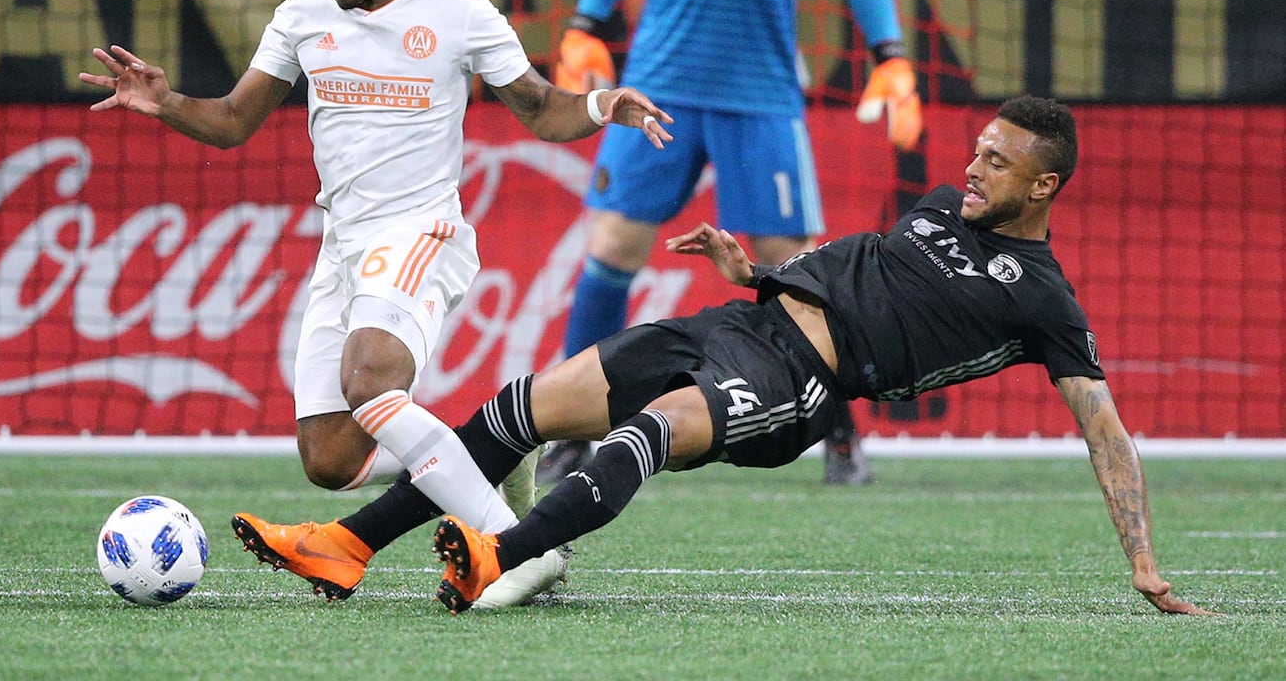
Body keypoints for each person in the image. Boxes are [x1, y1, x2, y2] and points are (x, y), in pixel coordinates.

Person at [79, 0, 674, 606]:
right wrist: (167, 102)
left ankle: (522, 552)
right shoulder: (301, 15)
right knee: (330, 459)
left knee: (370, 384)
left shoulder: (458, 10)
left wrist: (603, 104)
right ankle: (493, 454)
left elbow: (540, 107)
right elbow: (232, 122)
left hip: (422, 231)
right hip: (343, 246)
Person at [418, 96, 1209, 616]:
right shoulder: (941, 206)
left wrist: (1142, 560)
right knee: (526, 405)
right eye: (978, 151)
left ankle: (506, 554)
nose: (972, 170)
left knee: (648, 430)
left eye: (997, 163)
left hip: (803, 382)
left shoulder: (1044, 300)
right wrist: (753, 275)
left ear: (1043, 186)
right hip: (747, 322)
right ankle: (377, 537)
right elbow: (859, 278)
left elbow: (1105, 431)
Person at [541, 0, 922, 488]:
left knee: (793, 268)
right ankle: (573, 431)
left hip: (761, 93)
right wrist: (583, 25)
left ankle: (840, 433)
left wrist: (890, 52)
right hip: (660, 89)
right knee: (612, 246)